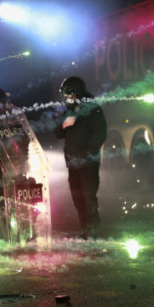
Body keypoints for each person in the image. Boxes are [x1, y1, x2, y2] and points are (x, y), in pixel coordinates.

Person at [53, 77, 107, 239]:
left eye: (67, 93)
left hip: (88, 162)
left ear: (75, 92)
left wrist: (88, 152)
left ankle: (92, 228)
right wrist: (64, 124)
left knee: (88, 194)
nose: (65, 97)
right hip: (73, 162)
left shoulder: (92, 108)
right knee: (77, 196)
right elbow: (57, 133)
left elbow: (100, 132)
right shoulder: (69, 110)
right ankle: (84, 227)